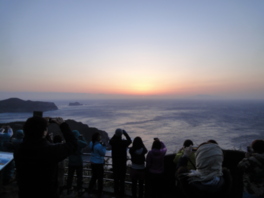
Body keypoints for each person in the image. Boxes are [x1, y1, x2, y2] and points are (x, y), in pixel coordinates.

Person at [14, 116, 77, 198]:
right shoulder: (50, 151)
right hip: (47, 193)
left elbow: (36, 141)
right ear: (44, 132)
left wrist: (42, 129)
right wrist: (63, 125)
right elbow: (73, 144)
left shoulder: (19, 149)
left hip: (25, 193)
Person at [109, 128, 132, 197]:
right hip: (122, 163)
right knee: (122, 179)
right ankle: (122, 193)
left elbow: (110, 141)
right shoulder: (123, 143)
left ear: (115, 134)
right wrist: (125, 133)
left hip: (115, 163)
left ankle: (116, 192)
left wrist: (116, 134)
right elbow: (130, 141)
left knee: (116, 179)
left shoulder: (113, 142)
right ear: (121, 135)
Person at [66, 130, 88, 196]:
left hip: (71, 161)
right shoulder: (79, 142)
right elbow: (85, 144)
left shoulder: (69, 142)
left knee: (70, 176)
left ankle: (68, 189)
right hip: (78, 161)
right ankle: (79, 189)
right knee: (79, 177)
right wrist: (81, 137)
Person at [88, 132, 106, 198]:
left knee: (94, 177)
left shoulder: (91, 143)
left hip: (93, 163)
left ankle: (90, 190)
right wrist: (104, 146)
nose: (100, 137)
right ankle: (99, 192)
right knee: (100, 179)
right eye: (100, 136)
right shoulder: (99, 146)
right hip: (99, 163)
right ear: (97, 137)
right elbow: (103, 153)